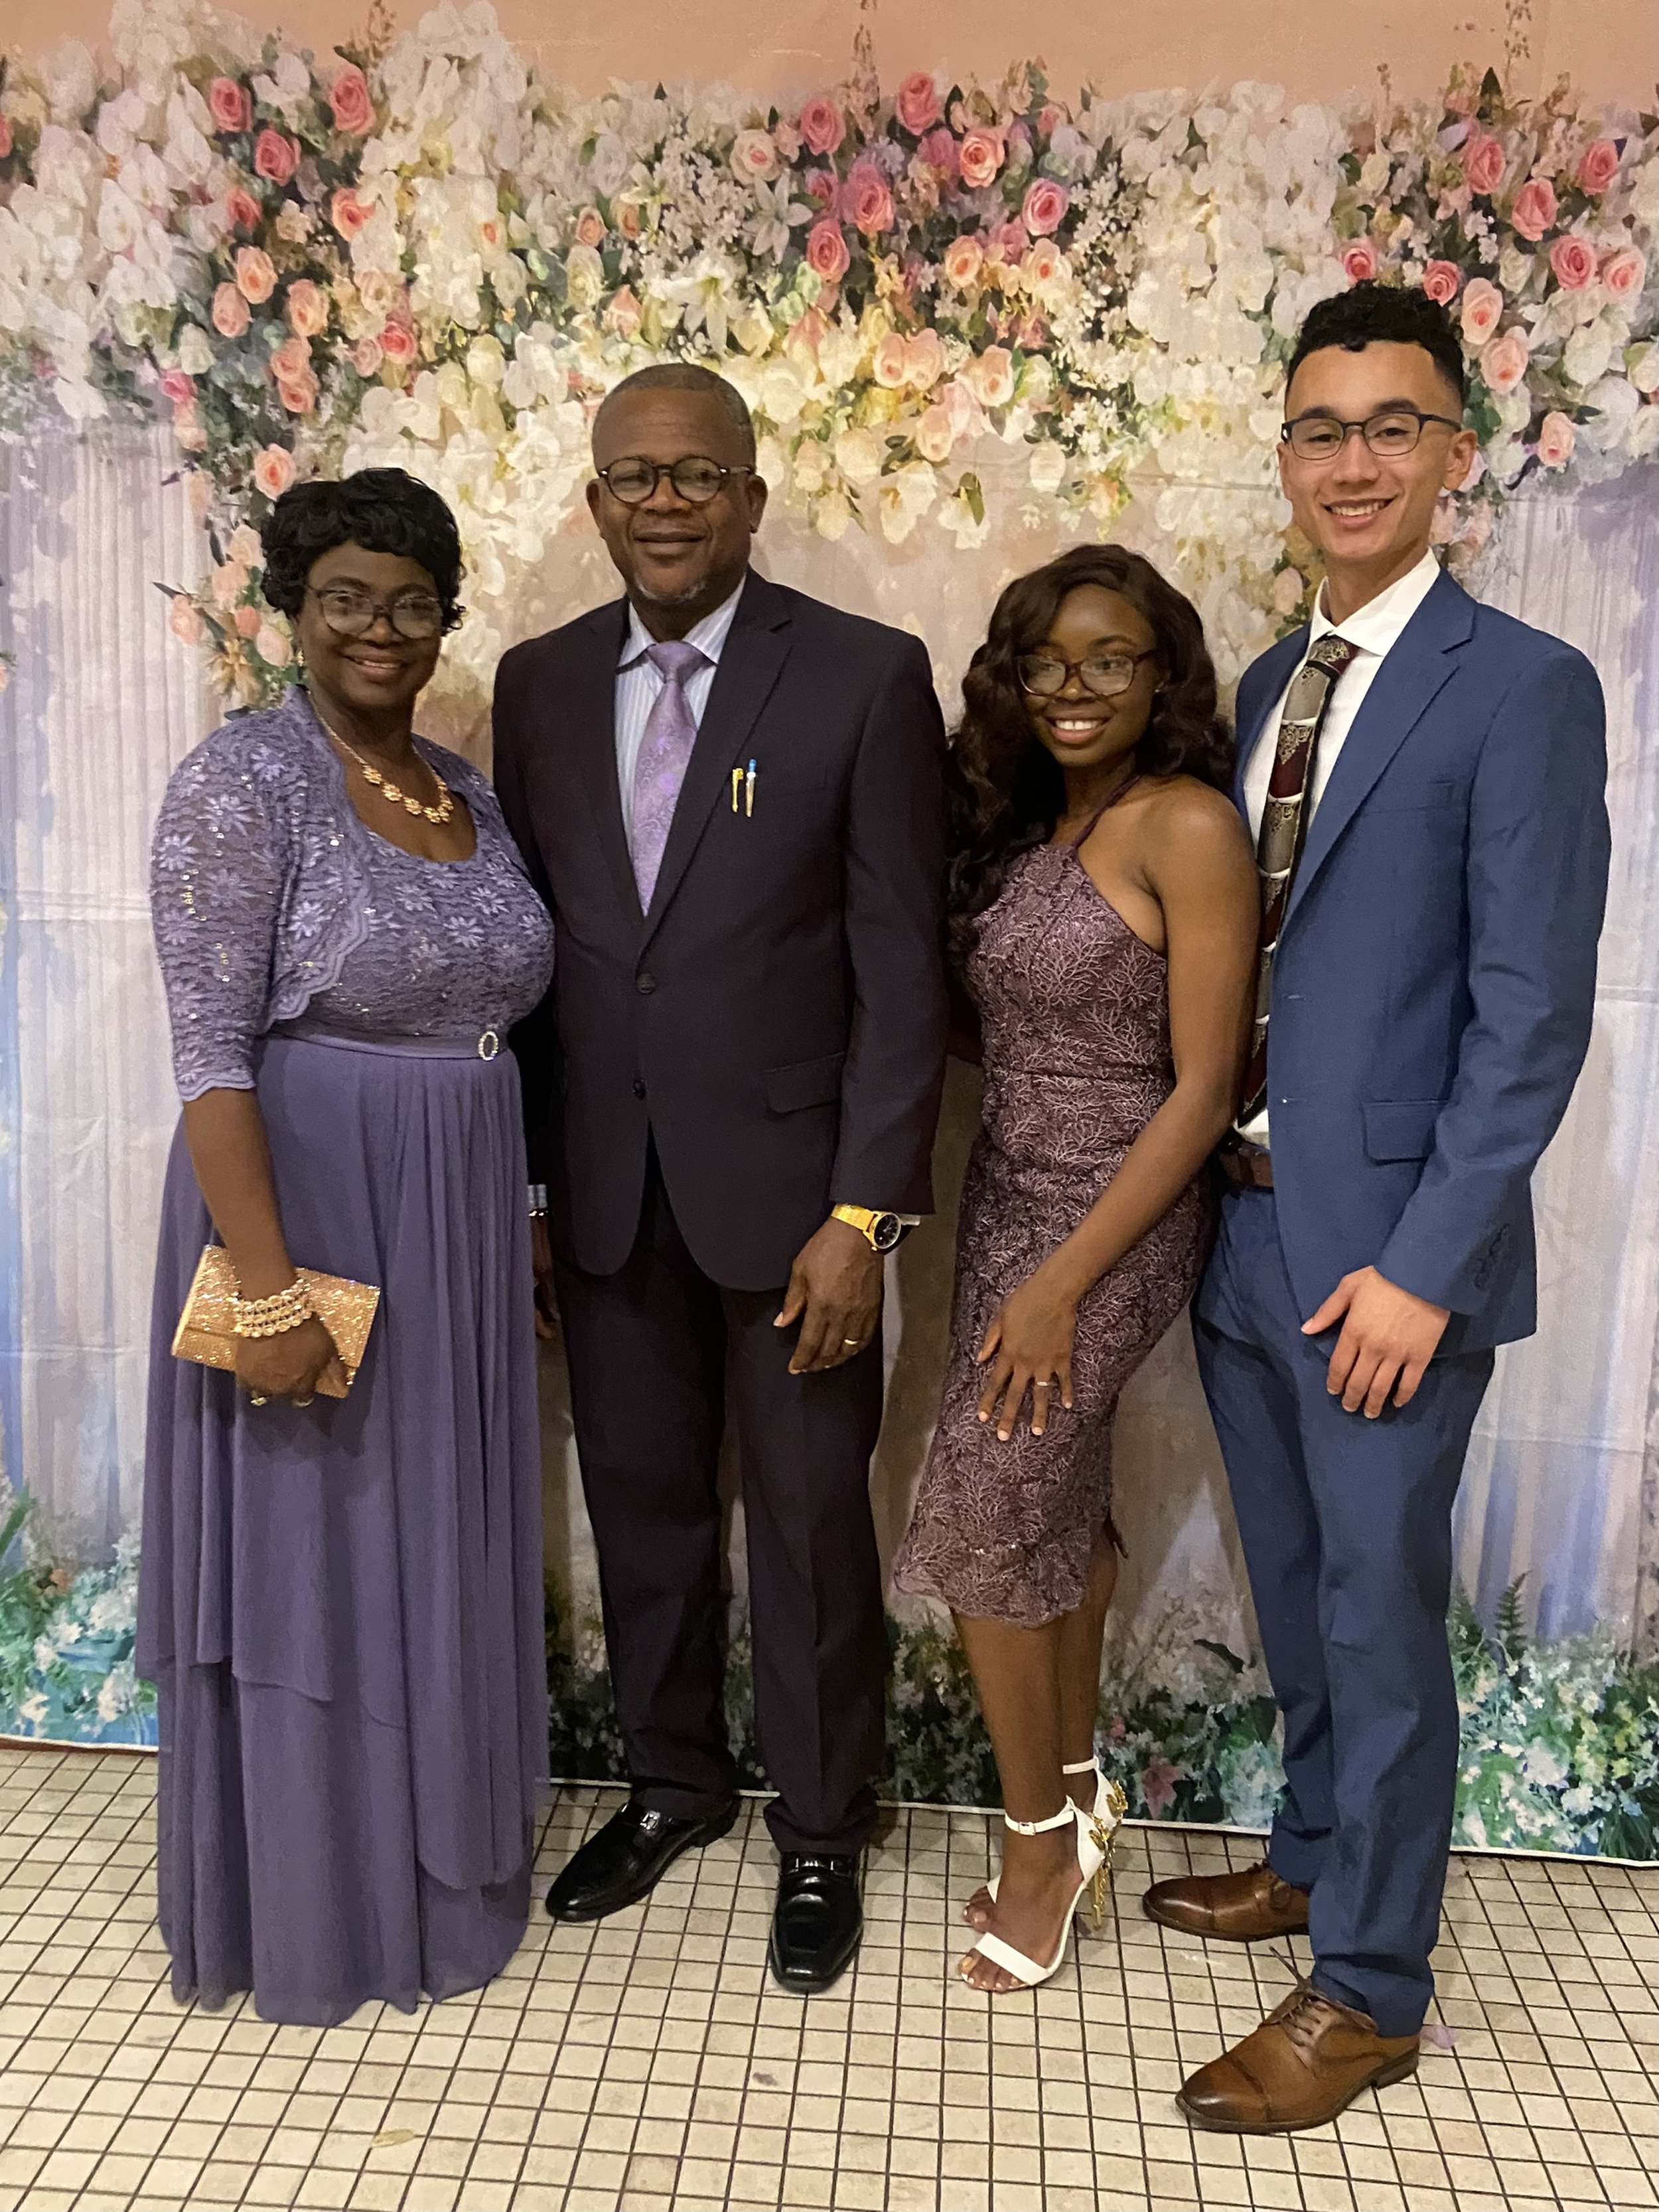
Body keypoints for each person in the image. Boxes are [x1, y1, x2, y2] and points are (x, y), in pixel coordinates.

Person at [1146, 285, 1611, 2130]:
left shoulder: (1519, 686)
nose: (1352, 461)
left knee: (1376, 1619)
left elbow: (1529, 1016)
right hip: (1244, 1228)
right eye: (1319, 428)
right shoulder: (1272, 681)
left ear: (1450, 454)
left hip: (1386, 1266)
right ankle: (1314, 1854)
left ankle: (1367, 1991)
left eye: (1389, 425)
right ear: (1284, 454)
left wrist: (1421, 1270)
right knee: (1295, 1589)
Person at [492, 365, 947, 1994]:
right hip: (606, 1193)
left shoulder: (863, 675)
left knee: (812, 1523)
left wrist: (862, 1215)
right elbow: (536, 963)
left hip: (797, 1209)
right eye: (633, 476)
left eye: (696, 473)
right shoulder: (538, 684)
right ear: (595, 503)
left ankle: (822, 1824)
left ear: (750, 495)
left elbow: (902, 973)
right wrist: (533, 1197)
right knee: (644, 1506)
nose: (665, 501)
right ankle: (672, 1781)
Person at [139, 469, 555, 2026]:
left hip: (457, 1210)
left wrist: (522, 1218)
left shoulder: (463, 788)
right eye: (345, 600)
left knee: (430, 1533)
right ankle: (327, 1906)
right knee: (317, 1545)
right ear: (294, 612)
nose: (380, 629)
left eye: (410, 603)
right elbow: (209, 1055)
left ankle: (437, 1859)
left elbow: (498, 1024)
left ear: (444, 619)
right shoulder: (243, 779)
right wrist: (264, 1290)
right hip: (307, 1203)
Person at [893, 546, 1258, 1993]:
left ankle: (1038, 1844)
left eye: (1109, 657)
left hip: (1122, 1211)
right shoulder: (1025, 822)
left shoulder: (1188, 825)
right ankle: (1081, 1784)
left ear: (1162, 674)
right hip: (1005, 1193)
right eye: (1045, 660)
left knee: (987, 1510)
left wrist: (1057, 1286)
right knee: (1049, 1495)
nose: (1073, 685)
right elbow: (996, 1019)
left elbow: (1202, 1087)